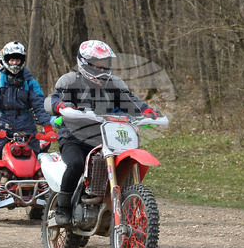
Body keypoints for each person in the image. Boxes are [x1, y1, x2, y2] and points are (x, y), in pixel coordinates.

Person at [45, 40, 163, 225]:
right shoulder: (70, 80)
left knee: (123, 160)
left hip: (107, 136)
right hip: (74, 136)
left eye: (105, 62)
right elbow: (53, 98)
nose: (102, 66)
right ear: (85, 62)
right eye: (97, 62)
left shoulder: (114, 83)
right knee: (75, 163)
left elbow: (129, 102)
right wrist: (61, 105)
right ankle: (63, 206)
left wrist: (147, 111)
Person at [0, 41, 56, 159]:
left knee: (36, 157)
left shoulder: (30, 82)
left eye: (17, 60)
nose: (15, 63)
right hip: (1, 123)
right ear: (6, 60)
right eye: (11, 60)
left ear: (22, 60)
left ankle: (36, 177)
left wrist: (47, 127)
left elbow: (39, 105)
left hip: (26, 125)